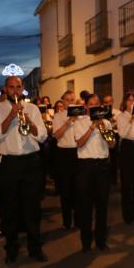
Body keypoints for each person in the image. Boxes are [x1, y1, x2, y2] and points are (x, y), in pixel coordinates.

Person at [0, 76, 48, 263]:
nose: (15, 90)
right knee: (9, 208)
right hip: (8, 163)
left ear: (22, 89)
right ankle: (11, 249)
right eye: (11, 87)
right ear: (5, 89)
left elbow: (42, 136)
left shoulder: (32, 108)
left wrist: (28, 120)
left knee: (32, 208)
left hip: (31, 162)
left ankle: (35, 248)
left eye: (18, 87)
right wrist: (11, 115)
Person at [73, 93, 115, 252]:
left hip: (102, 166)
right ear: (86, 106)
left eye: (97, 103)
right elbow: (79, 142)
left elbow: (111, 145)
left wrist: (104, 129)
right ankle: (85, 241)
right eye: (91, 103)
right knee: (86, 206)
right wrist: (92, 127)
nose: (95, 105)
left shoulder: (106, 122)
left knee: (102, 205)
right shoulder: (80, 122)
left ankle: (101, 240)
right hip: (85, 166)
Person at [52, 90, 79, 229]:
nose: (70, 102)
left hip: (78, 153)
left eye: (73, 99)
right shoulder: (58, 116)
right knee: (65, 189)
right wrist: (68, 122)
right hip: (63, 154)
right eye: (68, 100)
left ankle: (79, 219)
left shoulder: (82, 116)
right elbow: (56, 135)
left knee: (78, 188)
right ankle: (67, 221)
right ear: (63, 101)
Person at [115, 92, 134, 224]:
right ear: (125, 102)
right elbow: (123, 133)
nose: (131, 103)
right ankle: (127, 215)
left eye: (133, 100)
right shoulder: (121, 116)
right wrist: (132, 119)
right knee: (127, 183)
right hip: (127, 147)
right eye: (129, 100)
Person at [102, 94, 121, 185]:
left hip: (114, 135)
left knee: (114, 158)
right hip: (104, 135)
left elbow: (120, 125)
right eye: (105, 102)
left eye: (109, 102)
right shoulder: (101, 112)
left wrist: (112, 120)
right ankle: (105, 179)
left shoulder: (117, 112)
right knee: (105, 157)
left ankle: (114, 180)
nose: (107, 104)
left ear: (112, 102)